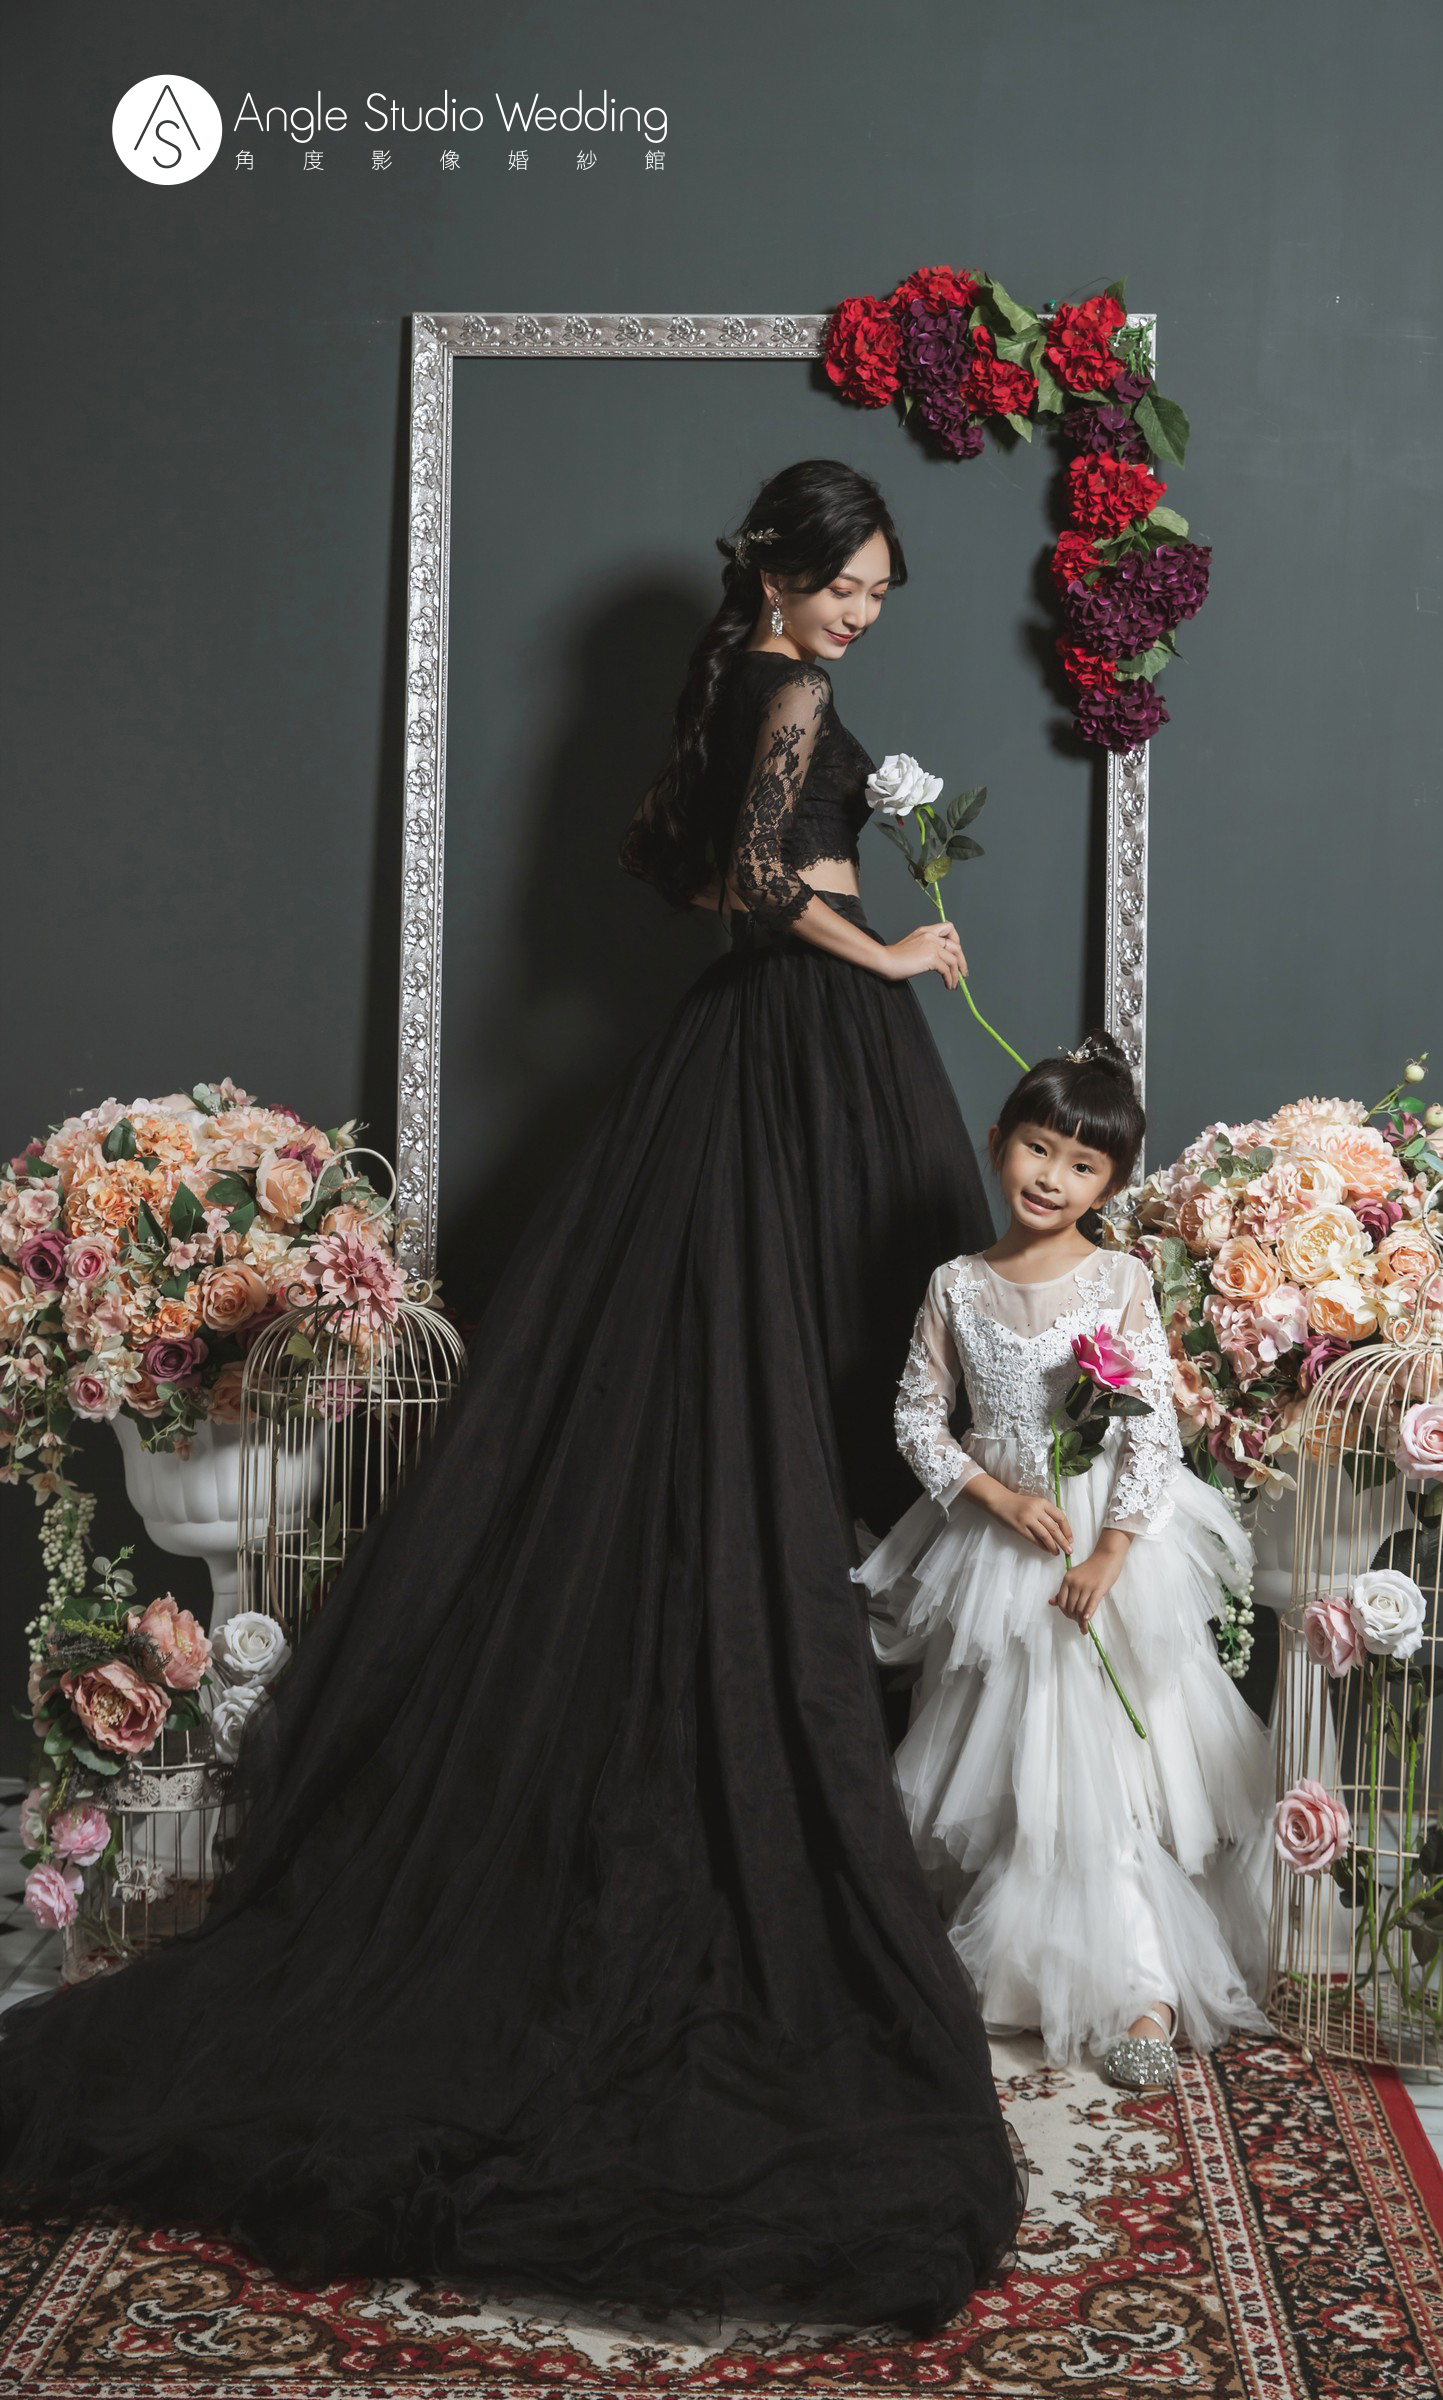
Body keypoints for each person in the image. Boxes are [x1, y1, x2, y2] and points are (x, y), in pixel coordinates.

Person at [0, 460, 1025, 2331]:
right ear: (783, 573)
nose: (866, 611)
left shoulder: (735, 682)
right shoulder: (788, 693)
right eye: (851, 582)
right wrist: (887, 945)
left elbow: (698, 868)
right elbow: (751, 887)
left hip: (750, 1061)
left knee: (758, 1385)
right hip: (801, 1048)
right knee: (809, 1385)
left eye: (884, 589)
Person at [853, 1039, 1275, 2090]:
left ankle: (1144, 1989)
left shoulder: (1119, 1279)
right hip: (999, 1541)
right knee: (1017, 1762)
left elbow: (1149, 1430)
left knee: (1108, 1763)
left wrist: (1114, 1552)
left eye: (1082, 1166)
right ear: (999, 1143)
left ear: (1110, 1184)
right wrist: (994, 1497)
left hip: (1102, 1540)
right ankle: (1023, 1968)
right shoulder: (956, 1284)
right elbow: (915, 1417)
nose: (1051, 1178)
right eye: (1037, 1149)